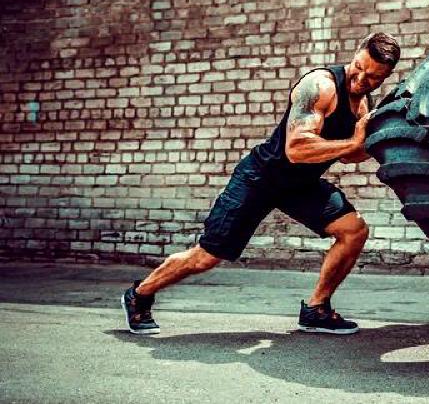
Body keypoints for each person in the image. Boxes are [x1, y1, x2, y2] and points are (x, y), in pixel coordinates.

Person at [121, 32, 400, 335]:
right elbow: (297, 148)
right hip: (260, 178)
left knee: (353, 230)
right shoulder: (320, 86)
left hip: (300, 184)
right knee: (206, 257)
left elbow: (349, 156)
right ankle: (140, 295)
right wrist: (352, 143)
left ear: (385, 76)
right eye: (359, 67)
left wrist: (373, 140)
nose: (361, 79)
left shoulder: (360, 105)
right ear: (355, 53)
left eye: (373, 78)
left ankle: (316, 308)